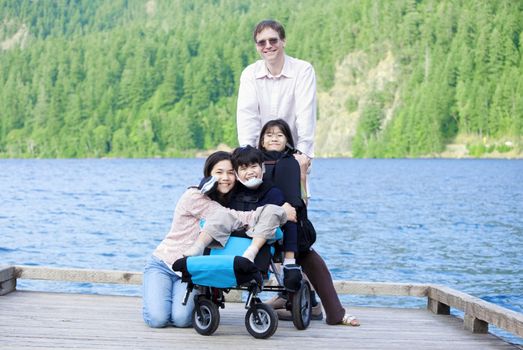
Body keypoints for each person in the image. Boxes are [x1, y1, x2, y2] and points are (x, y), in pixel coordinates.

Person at [142, 151, 295, 328]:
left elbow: (236, 217)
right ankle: (155, 296)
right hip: (164, 263)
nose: (226, 177)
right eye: (219, 172)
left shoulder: (228, 200)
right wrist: (281, 212)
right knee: (157, 319)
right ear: (209, 175)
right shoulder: (195, 195)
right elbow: (232, 216)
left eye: (231, 172)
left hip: (191, 270)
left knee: (182, 320)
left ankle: (172, 301)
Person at [259, 119, 360, 327]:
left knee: (307, 255)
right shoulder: (253, 161)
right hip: (258, 222)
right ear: (261, 140)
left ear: (287, 140)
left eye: (279, 134)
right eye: (269, 134)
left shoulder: (294, 162)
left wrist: (302, 176)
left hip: (291, 222)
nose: (274, 138)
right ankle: (303, 301)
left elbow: (302, 199)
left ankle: (335, 312)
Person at [236, 19, 316, 200]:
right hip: (259, 160)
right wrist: (247, 157)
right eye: (261, 42)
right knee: (257, 216)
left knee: (296, 213)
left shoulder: (302, 70)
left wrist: (303, 156)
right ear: (257, 46)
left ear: (283, 41)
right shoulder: (250, 74)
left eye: (273, 40)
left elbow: (305, 114)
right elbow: (247, 116)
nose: (268, 46)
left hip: (292, 156)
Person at [228, 145, 302, 291]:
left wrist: (289, 259)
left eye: (253, 166)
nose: (249, 172)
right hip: (234, 239)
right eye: (243, 169)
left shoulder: (273, 193)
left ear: (262, 168)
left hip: (262, 241)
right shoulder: (232, 193)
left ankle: (288, 264)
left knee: (284, 215)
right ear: (236, 174)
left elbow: (290, 222)